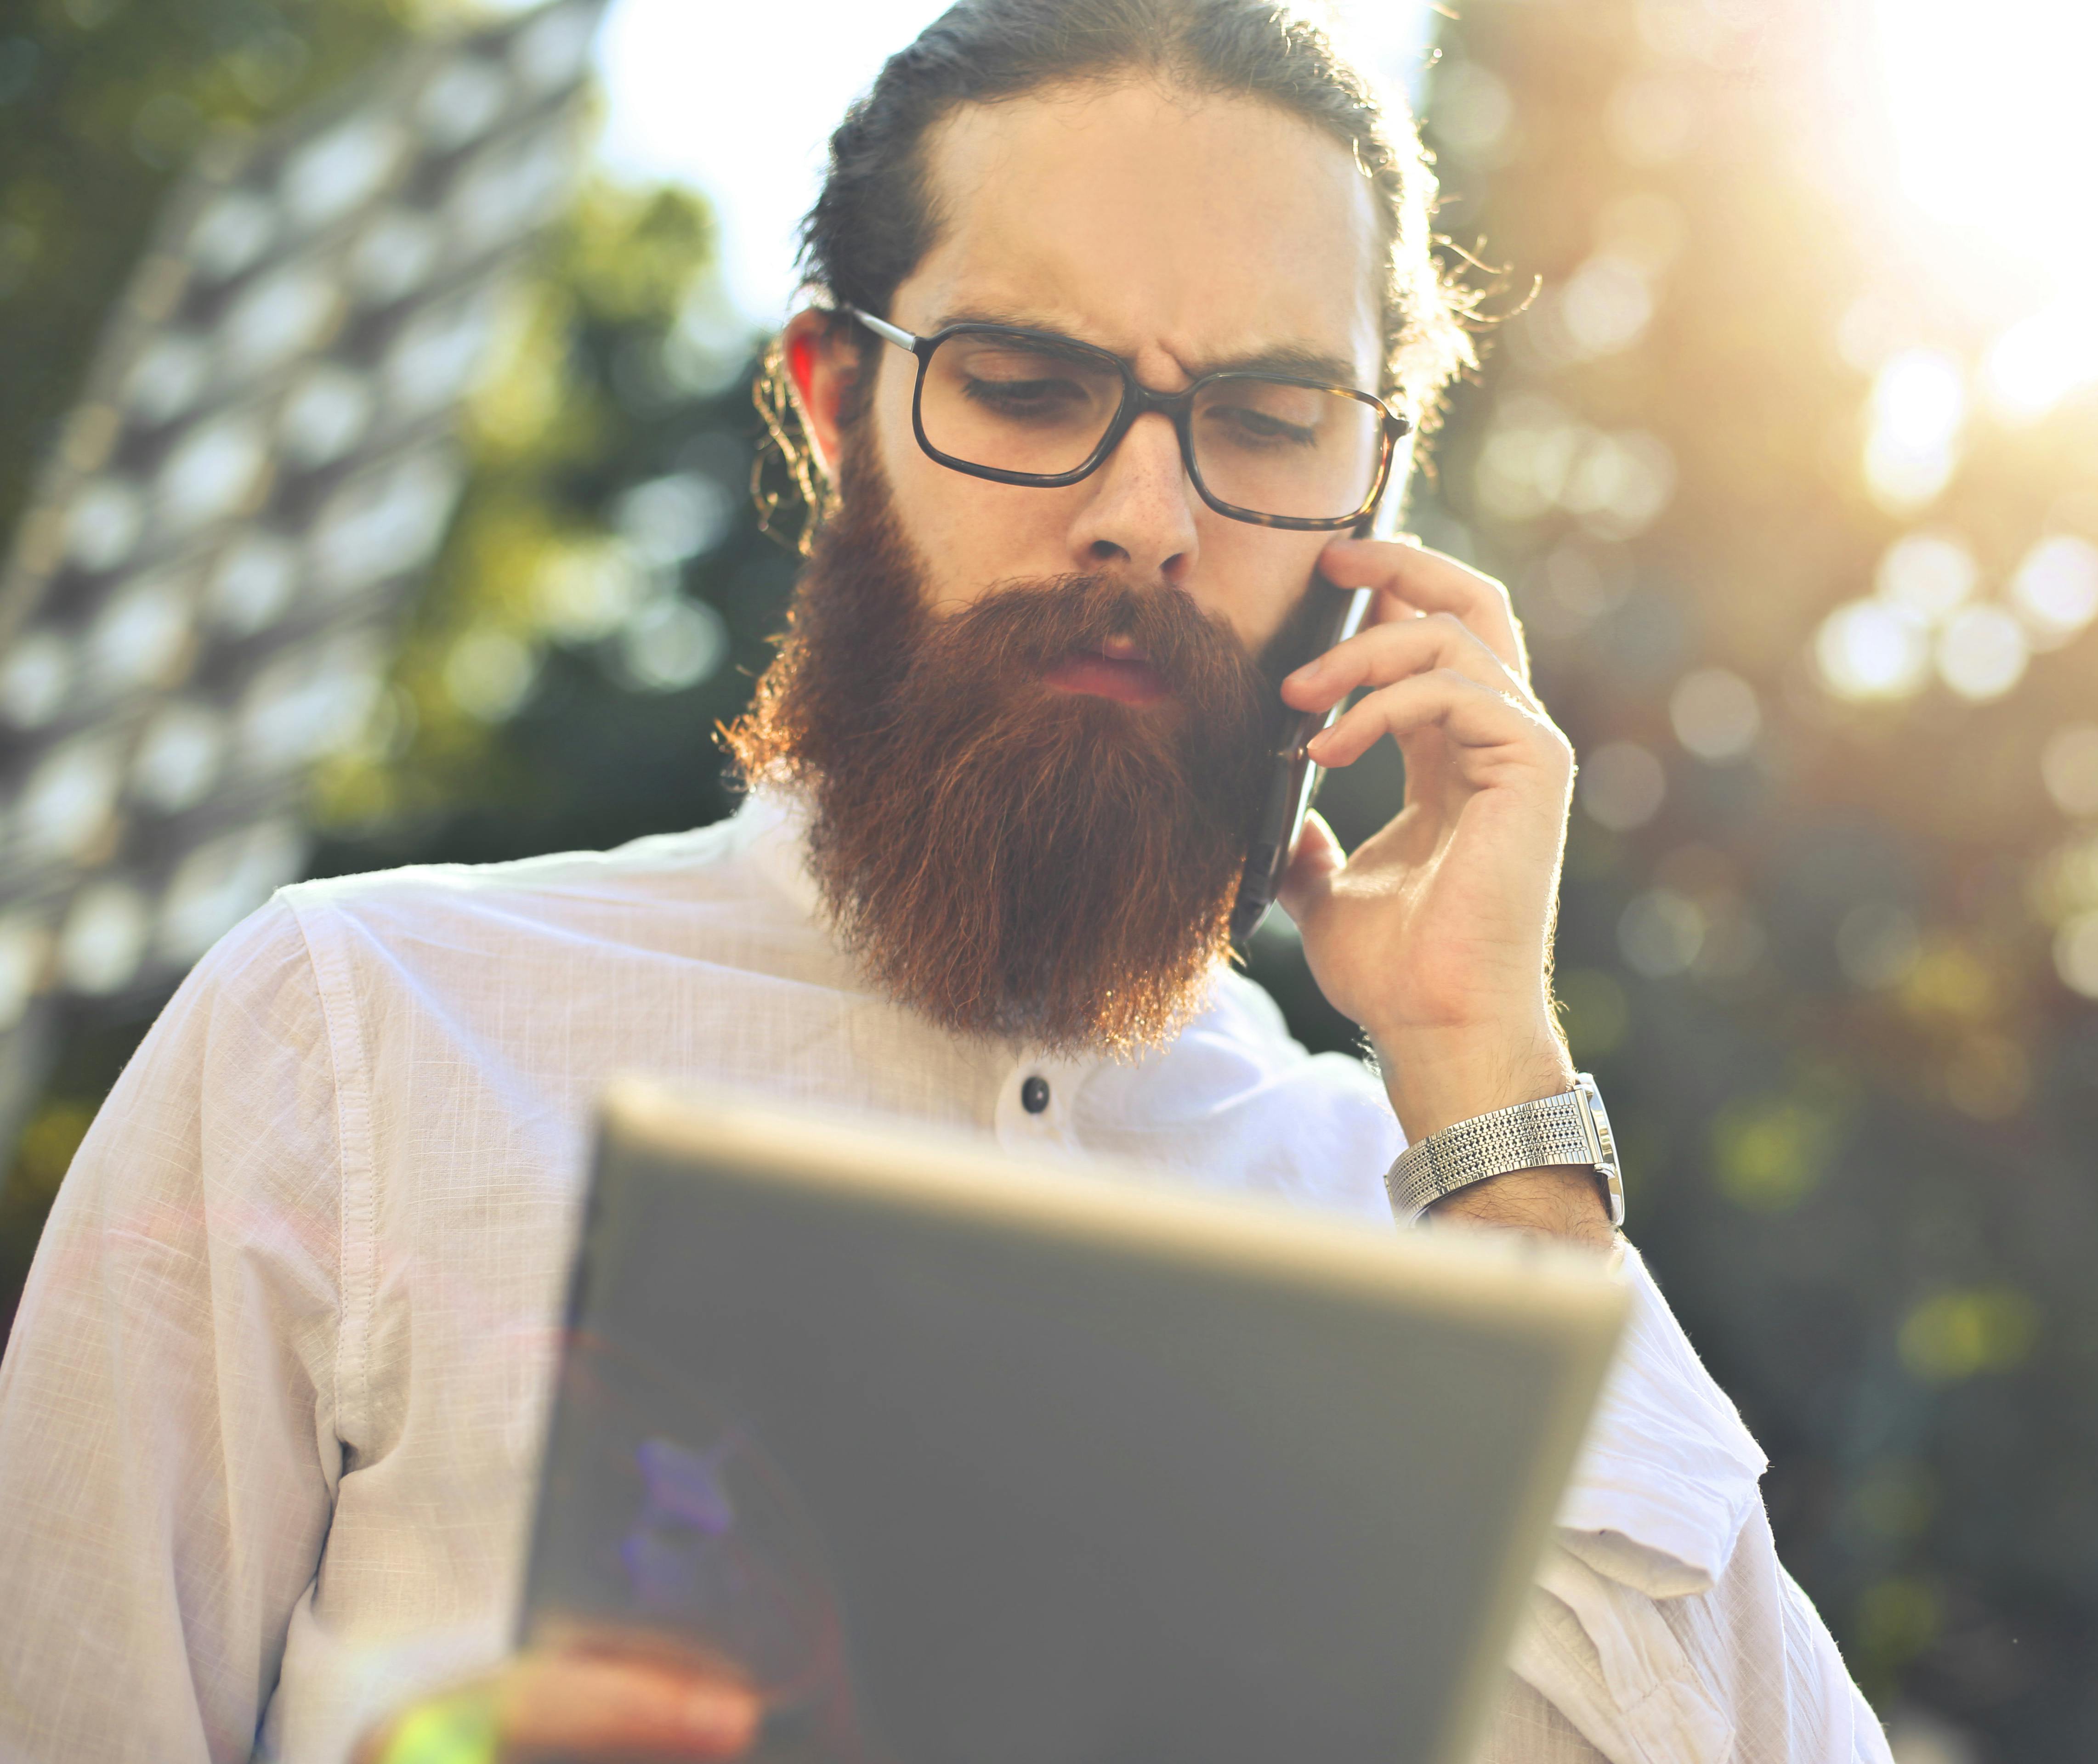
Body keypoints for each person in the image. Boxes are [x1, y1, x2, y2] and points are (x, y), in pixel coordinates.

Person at [0, 2, 1892, 1760]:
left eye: (1265, 419)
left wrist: (1493, 1074)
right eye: (1025, 381)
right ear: (832, 406)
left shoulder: (1435, 1226)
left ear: (1376, 499)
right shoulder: (357, 1038)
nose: (1145, 517)